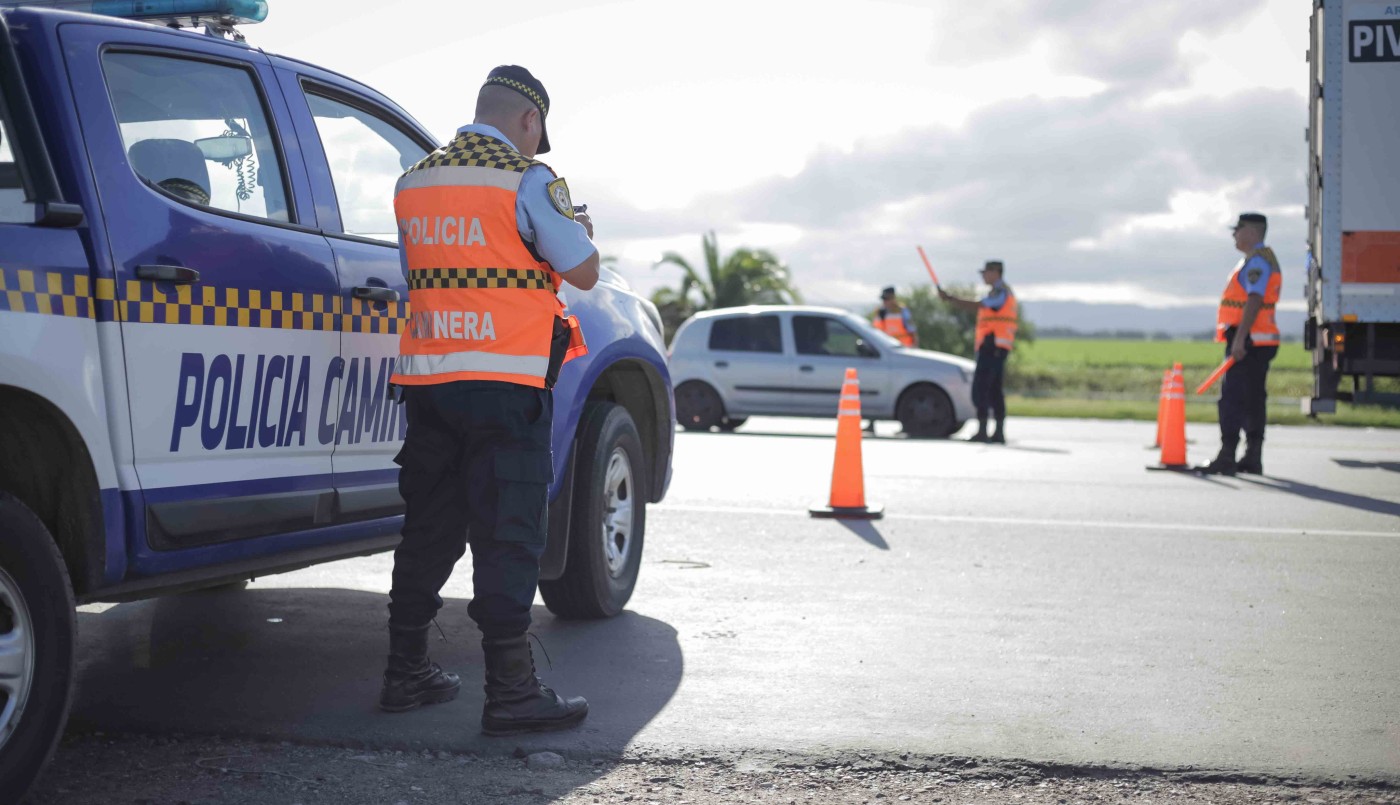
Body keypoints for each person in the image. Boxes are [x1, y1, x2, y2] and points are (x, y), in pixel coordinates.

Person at [381, 65, 600, 736]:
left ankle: (404, 671)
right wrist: (577, 225)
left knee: (428, 527)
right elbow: (584, 271)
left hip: (431, 380)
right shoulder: (528, 179)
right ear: (529, 121)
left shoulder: (412, 181)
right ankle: (510, 691)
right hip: (505, 385)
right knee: (508, 532)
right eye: (537, 135)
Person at [1197, 212, 1281, 476]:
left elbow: (1254, 299)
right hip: (1258, 339)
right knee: (1254, 400)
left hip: (1248, 341)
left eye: (1238, 229)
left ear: (1252, 233)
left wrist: (1241, 337)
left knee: (1233, 399)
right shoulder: (1261, 260)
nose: (1234, 234)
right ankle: (1252, 457)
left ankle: (1227, 456)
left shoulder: (1257, 262)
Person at [939, 261, 1017, 443]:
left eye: (986, 272)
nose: (983, 276)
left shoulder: (1001, 292)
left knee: (982, 389)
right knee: (994, 390)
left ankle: (985, 431)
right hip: (995, 345)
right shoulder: (999, 292)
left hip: (993, 345)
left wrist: (951, 299)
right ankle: (996, 432)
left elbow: (980, 306)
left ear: (996, 272)